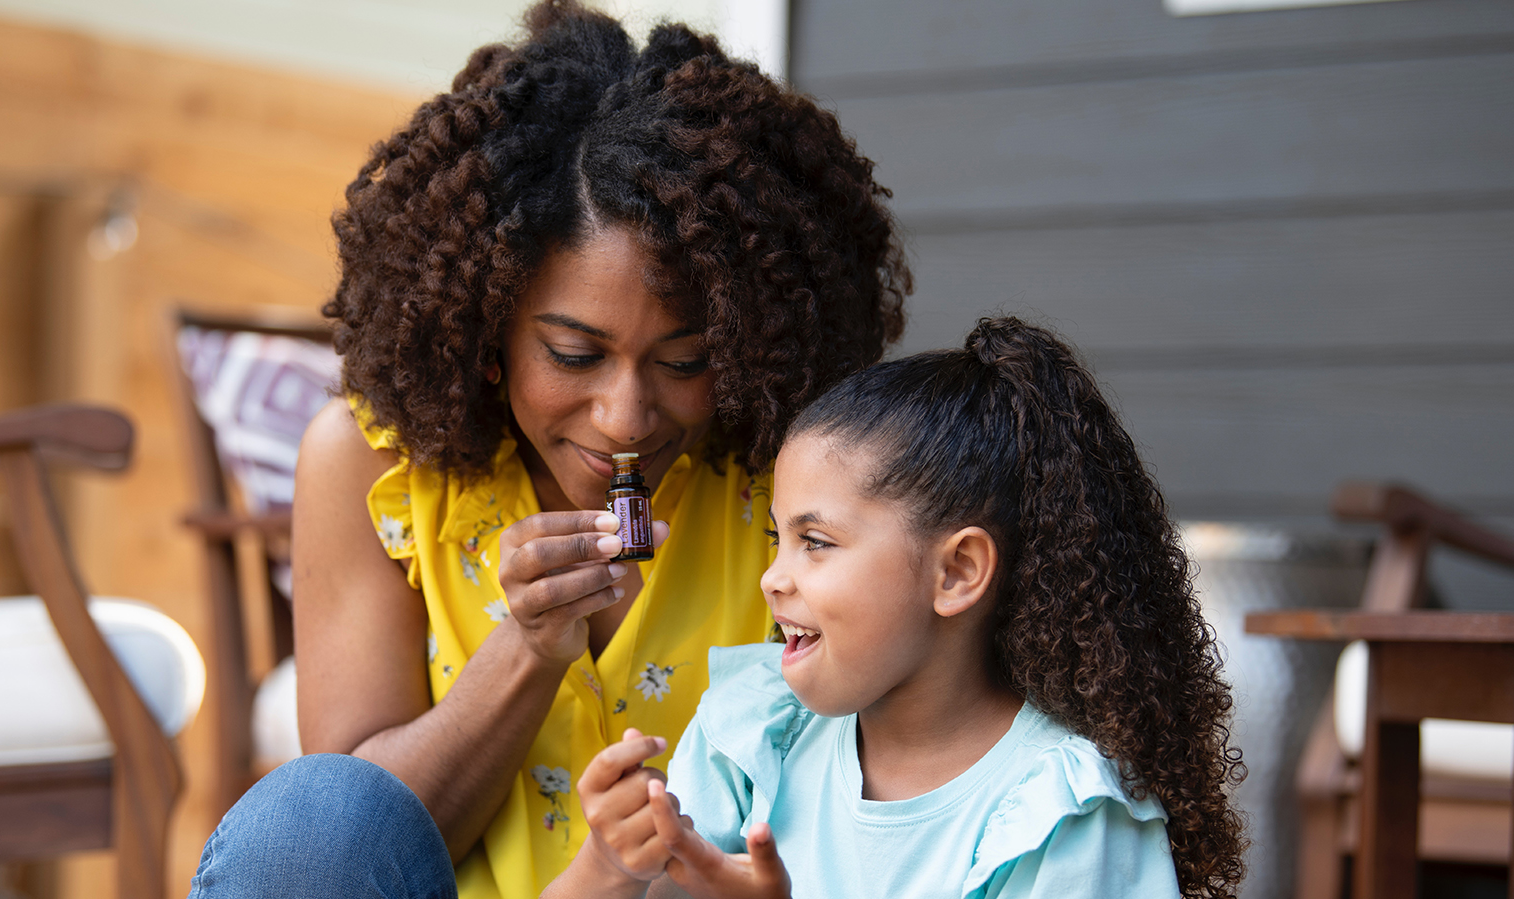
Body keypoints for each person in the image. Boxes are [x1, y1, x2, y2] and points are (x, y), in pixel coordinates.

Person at [187, 1, 908, 897]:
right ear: (486, 326)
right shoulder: (371, 468)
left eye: (685, 361)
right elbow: (353, 851)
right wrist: (525, 648)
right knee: (310, 827)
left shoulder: (791, 472)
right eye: (574, 354)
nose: (626, 416)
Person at [553, 317, 1247, 899]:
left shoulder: (1061, 815)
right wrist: (611, 865)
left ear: (957, 571)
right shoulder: (753, 733)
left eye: (815, 542)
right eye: (777, 539)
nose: (772, 579)